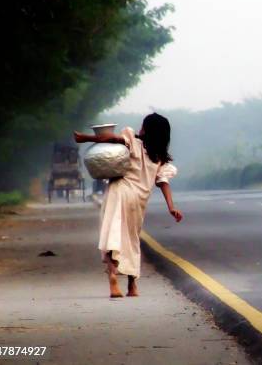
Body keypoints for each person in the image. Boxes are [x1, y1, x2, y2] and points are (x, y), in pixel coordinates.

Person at [74, 113, 183, 297]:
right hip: (138, 200)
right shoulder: (160, 158)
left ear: (146, 129)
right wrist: (171, 207)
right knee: (132, 239)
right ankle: (132, 285)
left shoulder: (133, 141)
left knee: (112, 235)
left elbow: (110, 138)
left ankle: (113, 280)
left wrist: (86, 138)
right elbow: (163, 182)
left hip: (119, 191)